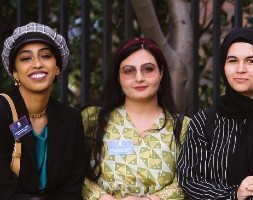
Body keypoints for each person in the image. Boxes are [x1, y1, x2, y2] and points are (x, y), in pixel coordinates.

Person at [177, 28, 253, 199]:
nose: (240, 69)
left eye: (251, 61)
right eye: (233, 60)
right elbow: (191, 182)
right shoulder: (203, 122)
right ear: (223, 66)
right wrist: (235, 195)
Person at [81, 37, 189, 199]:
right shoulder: (93, 119)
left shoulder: (183, 126)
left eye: (148, 69)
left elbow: (190, 180)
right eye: (129, 71)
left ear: (161, 73)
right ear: (118, 77)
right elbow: (71, 171)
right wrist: (102, 198)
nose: (139, 78)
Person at [0, 22, 87, 199]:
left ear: (57, 68)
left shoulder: (71, 118)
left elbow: (72, 186)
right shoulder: (2, 111)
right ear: (15, 72)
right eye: (26, 58)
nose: (37, 64)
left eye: (45, 56)